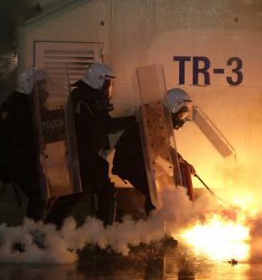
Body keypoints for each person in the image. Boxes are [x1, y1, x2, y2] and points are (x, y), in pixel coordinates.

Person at [67, 62, 134, 225]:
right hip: (84, 154)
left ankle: (48, 226)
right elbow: (107, 125)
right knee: (105, 190)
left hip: (82, 153)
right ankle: (103, 233)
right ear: (97, 80)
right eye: (107, 83)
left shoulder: (83, 95)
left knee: (76, 194)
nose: (109, 88)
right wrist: (134, 119)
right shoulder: (88, 98)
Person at [112, 87, 196, 210]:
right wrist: (178, 160)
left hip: (141, 161)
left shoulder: (162, 119)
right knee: (155, 192)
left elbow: (163, 145)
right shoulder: (152, 118)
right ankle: (155, 225)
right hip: (130, 162)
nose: (182, 118)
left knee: (165, 186)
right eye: (182, 114)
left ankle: (160, 222)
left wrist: (181, 161)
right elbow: (159, 145)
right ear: (173, 107)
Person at [0, 67, 47, 221]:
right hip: (19, 159)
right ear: (29, 85)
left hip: (29, 158)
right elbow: (15, 138)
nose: (42, 89)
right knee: (39, 195)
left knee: (44, 194)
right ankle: (29, 237)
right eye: (39, 85)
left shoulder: (29, 103)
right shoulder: (15, 106)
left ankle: (37, 231)